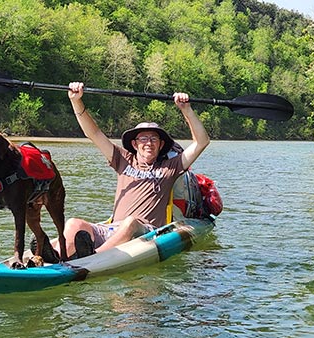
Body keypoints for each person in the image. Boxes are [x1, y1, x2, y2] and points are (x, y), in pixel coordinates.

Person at [50, 82, 209, 259]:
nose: (148, 143)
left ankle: (92, 257)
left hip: (145, 232)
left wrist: (186, 109)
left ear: (161, 144)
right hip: (112, 229)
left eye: (154, 139)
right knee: (74, 223)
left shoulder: (170, 167)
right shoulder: (123, 159)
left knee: (130, 222)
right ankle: (53, 256)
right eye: (143, 139)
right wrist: (76, 101)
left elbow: (201, 142)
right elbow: (94, 133)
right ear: (135, 144)